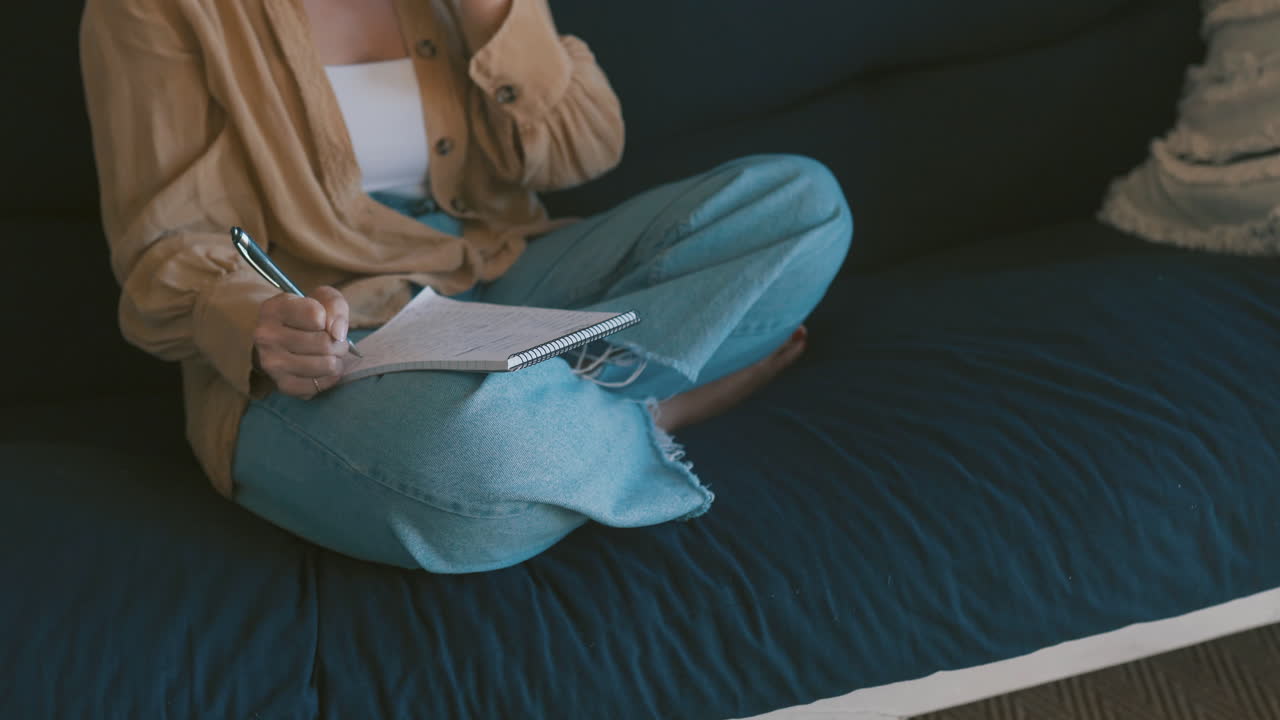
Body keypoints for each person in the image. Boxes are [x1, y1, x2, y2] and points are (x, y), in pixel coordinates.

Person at [80, 0, 853, 573]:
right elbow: (165, 251)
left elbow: (585, 150)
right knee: (466, 459)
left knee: (801, 209)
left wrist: (494, 14)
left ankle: (560, 416)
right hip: (332, 338)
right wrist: (261, 323)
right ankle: (655, 405)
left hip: (503, 269)